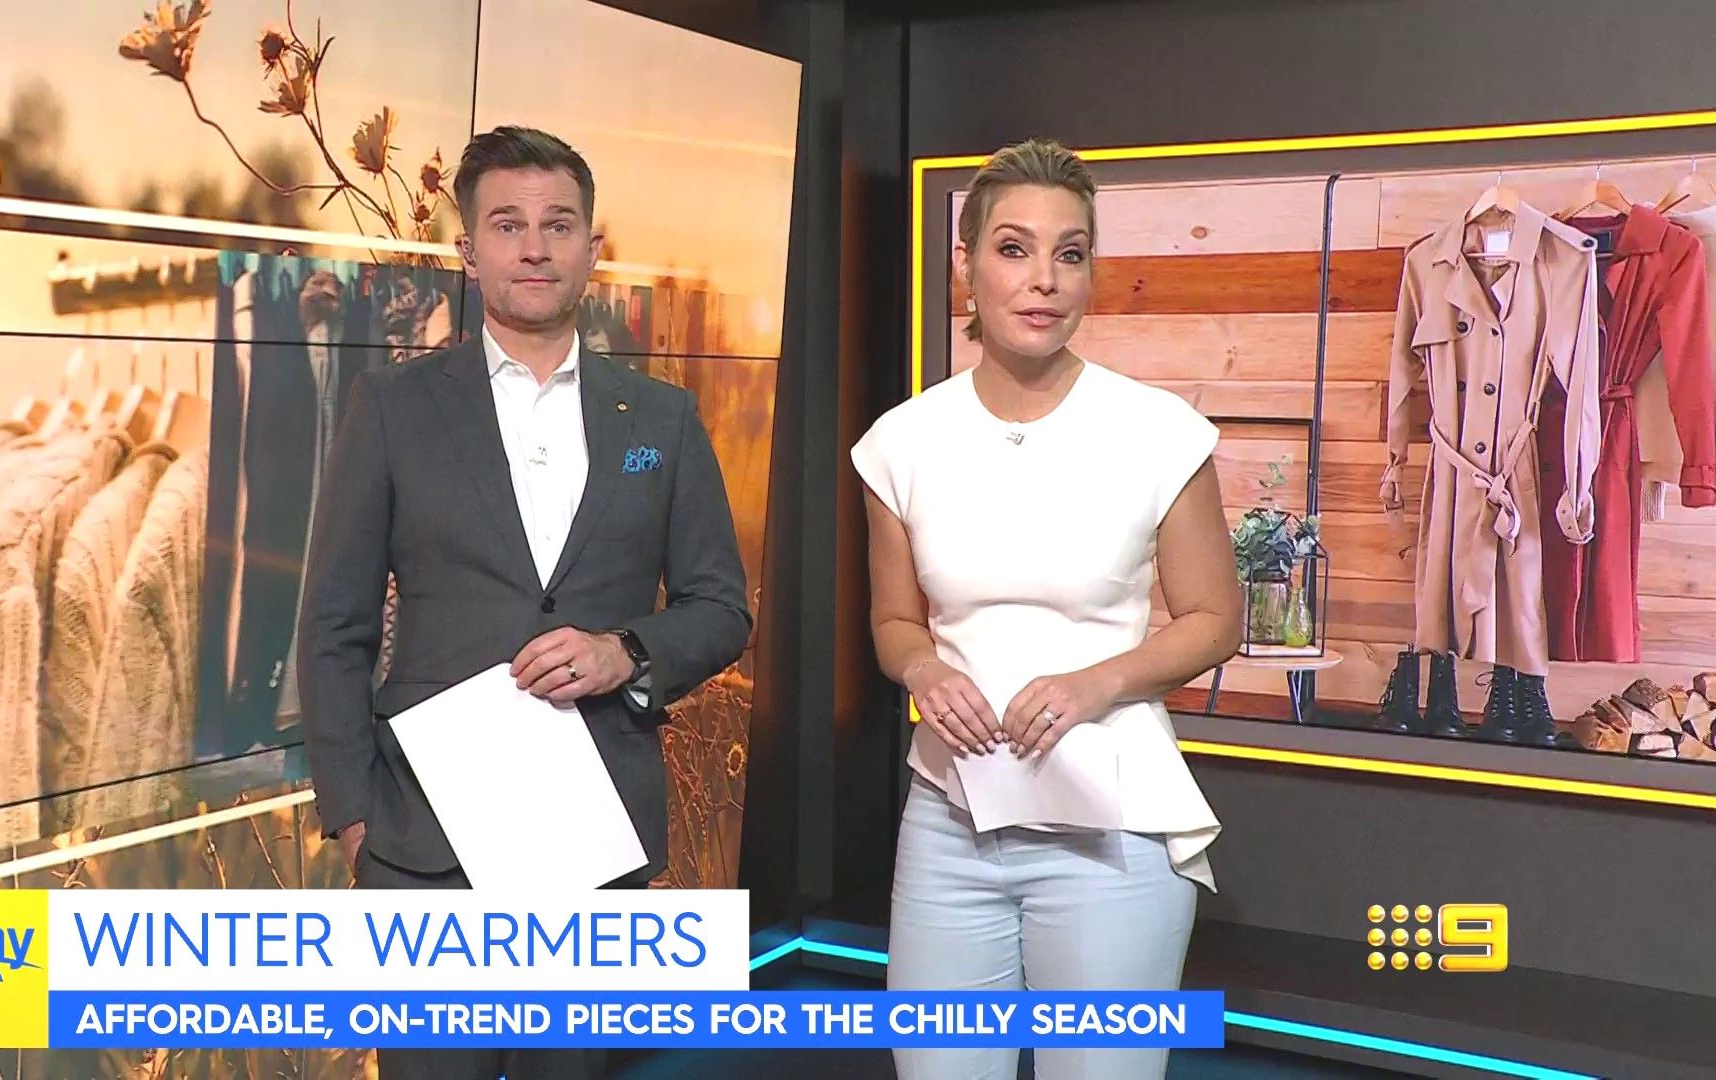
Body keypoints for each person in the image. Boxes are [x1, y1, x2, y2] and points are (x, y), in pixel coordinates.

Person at [297, 125, 753, 1080]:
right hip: (424, 844)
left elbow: (720, 607)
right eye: (508, 226)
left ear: (593, 246)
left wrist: (626, 650)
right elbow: (335, 625)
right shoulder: (393, 407)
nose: (535, 248)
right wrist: (356, 818)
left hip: (593, 839)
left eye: (558, 225)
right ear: (469, 252)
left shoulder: (662, 417)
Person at [850, 137, 1243, 1080]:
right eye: (1014, 249)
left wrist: (1091, 684)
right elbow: (895, 623)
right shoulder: (902, 442)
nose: (1044, 280)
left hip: (1113, 833)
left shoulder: (1157, 432)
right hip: (950, 823)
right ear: (968, 266)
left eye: (1070, 254)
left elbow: (1213, 620)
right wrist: (922, 668)